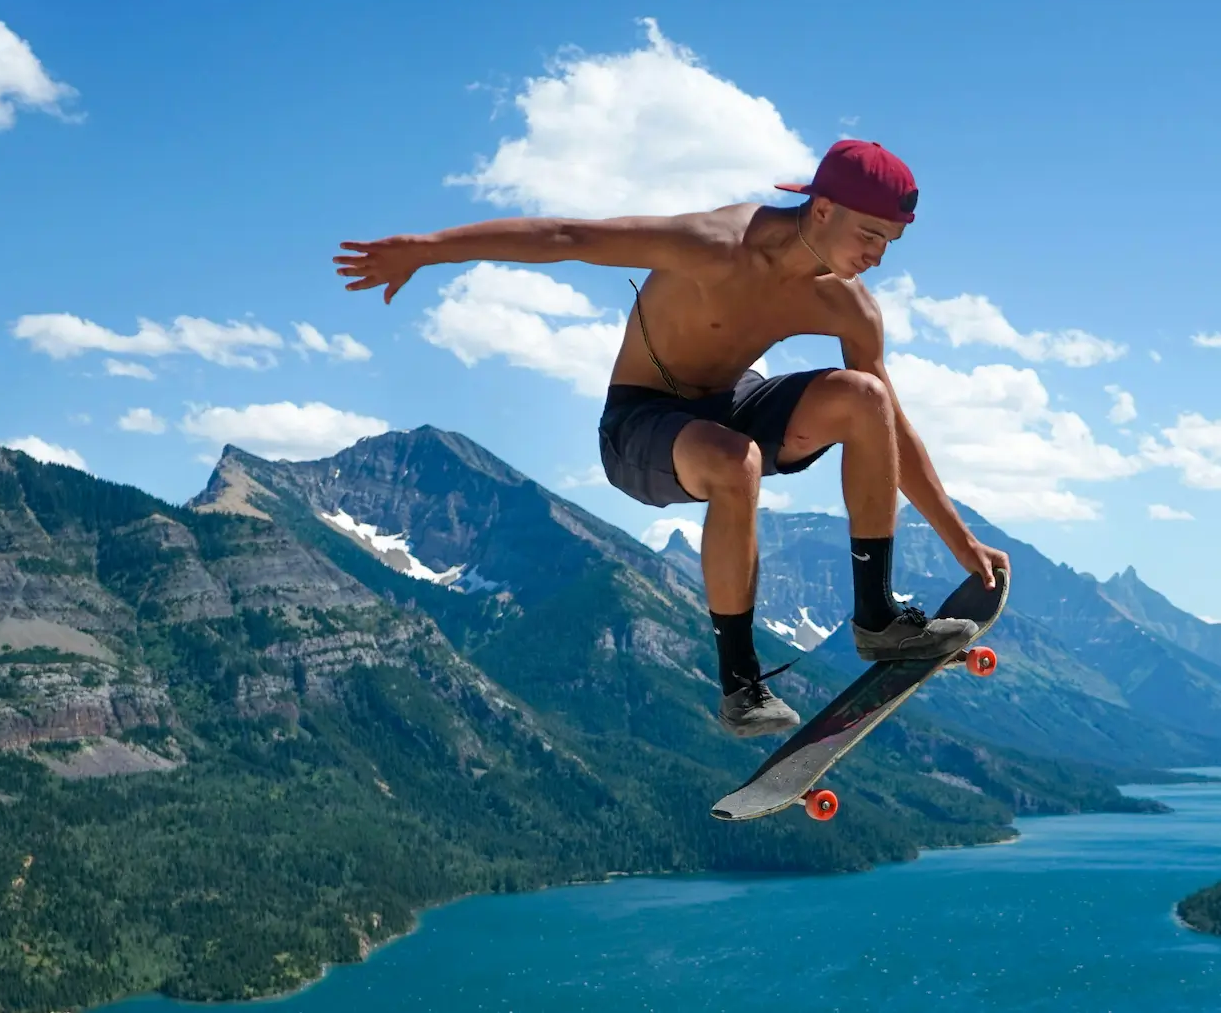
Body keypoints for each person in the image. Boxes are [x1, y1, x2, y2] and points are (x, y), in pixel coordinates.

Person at [334, 139, 1012, 738]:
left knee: (866, 397)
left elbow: (891, 427)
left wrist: (959, 539)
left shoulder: (846, 302)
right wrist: (426, 250)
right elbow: (568, 237)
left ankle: (877, 619)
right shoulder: (714, 244)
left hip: (734, 403)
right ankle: (741, 686)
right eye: (870, 234)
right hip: (641, 424)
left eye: (890, 244)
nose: (877, 257)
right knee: (735, 461)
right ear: (824, 208)